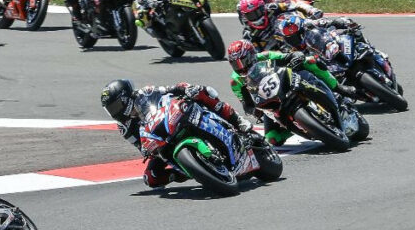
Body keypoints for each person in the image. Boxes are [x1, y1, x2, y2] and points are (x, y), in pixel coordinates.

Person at [101, 79, 254, 188]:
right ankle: (191, 171)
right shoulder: (124, 128)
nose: (115, 112)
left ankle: (237, 121)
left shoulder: (144, 93)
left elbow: (170, 90)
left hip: (173, 119)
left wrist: (185, 89)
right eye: (111, 110)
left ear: (125, 98)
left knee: (201, 92)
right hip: (159, 140)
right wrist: (147, 151)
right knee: (150, 178)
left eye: (115, 106)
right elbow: (139, 146)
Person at [227, 39, 355, 145]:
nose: (240, 67)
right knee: (272, 138)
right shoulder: (235, 81)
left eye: (242, 62)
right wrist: (253, 110)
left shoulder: (265, 56)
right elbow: (246, 103)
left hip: (286, 83)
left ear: (251, 55)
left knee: (310, 61)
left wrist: (296, 56)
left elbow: (287, 56)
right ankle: (304, 127)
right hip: (270, 102)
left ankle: (337, 87)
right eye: (235, 64)